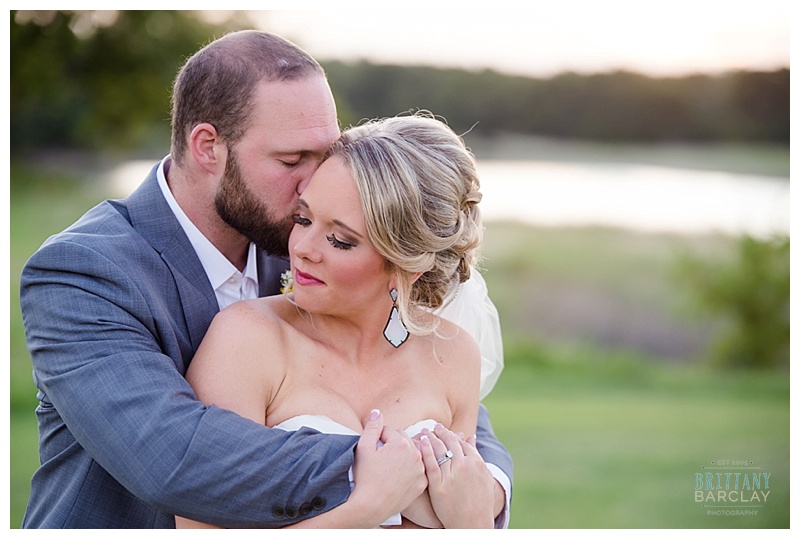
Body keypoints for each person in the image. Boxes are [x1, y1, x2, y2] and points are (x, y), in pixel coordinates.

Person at [19, 30, 511, 528]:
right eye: (293, 160)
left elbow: (432, 391)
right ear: (208, 146)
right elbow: (174, 460)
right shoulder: (81, 274)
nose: (315, 182)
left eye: (324, 155)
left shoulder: (298, 241)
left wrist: (484, 483)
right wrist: (383, 470)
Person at [177, 113, 496, 528]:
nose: (303, 249)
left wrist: (474, 522)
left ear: (408, 265)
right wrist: (368, 507)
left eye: (340, 240)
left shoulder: (452, 355)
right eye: (303, 219)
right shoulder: (248, 339)